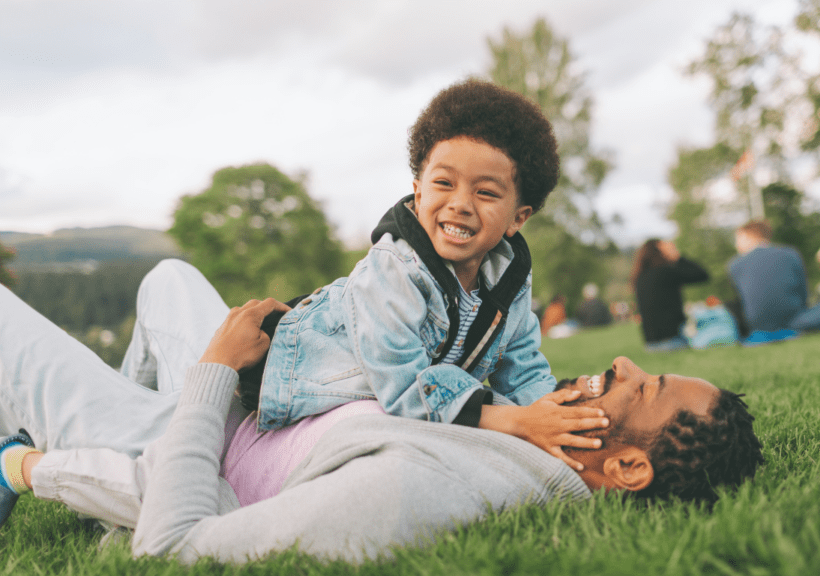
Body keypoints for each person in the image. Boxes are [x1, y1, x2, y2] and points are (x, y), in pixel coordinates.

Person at [0, 282, 765, 564]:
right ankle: (94, 418)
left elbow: (172, 546)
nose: (625, 364)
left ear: (627, 469)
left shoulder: (419, 490)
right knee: (167, 280)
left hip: (187, 449)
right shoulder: (516, 435)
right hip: (245, 403)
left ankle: (66, 445)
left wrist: (211, 372)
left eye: (645, 387)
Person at [227, 79, 602, 470]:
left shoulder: (508, 277)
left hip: (395, 396)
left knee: (493, 419)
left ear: (518, 218)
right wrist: (518, 421)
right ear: (419, 193)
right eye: (443, 183)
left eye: (486, 193)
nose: (460, 204)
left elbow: (522, 365)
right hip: (294, 378)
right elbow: (405, 388)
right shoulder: (393, 268)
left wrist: (556, 417)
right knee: (419, 438)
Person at [729, 220, 820, 345]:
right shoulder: (790, 254)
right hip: (795, 321)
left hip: (759, 329)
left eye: (738, 239)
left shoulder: (734, 265)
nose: (736, 245)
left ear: (749, 235)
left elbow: (743, 302)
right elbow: (803, 294)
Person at [631, 239, 709, 352]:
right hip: (673, 341)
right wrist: (678, 257)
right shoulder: (666, 272)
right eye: (668, 247)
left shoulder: (640, 278)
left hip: (650, 345)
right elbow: (702, 275)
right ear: (659, 250)